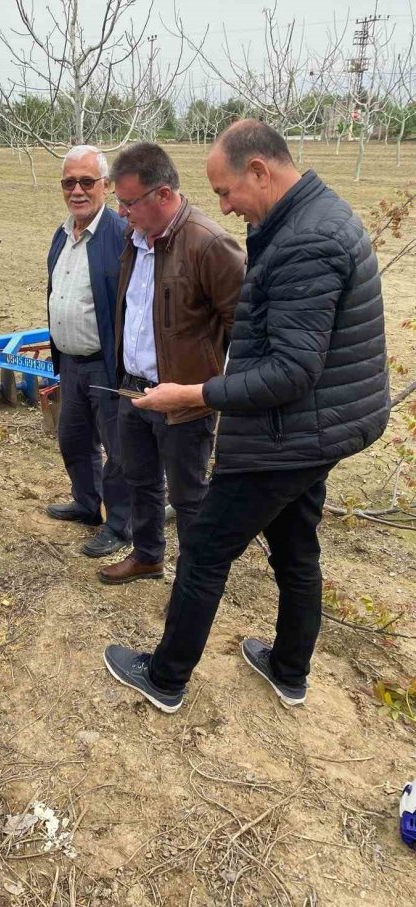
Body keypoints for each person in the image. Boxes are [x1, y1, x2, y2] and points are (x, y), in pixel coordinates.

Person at [104, 120, 390, 711]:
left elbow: (290, 370)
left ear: (258, 171)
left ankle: (165, 678)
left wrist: (196, 394)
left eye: (226, 192)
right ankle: (289, 669)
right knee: (295, 544)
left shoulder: (308, 241)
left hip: (289, 432)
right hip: (319, 425)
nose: (225, 207)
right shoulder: (311, 217)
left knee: (205, 549)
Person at [97, 142, 245, 586]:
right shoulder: (135, 238)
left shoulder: (209, 244)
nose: (121, 212)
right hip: (133, 389)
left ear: (163, 195)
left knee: (189, 496)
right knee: (139, 479)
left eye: (128, 202)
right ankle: (148, 556)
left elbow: (245, 330)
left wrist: (213, 392)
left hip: (184, 400)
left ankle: (192, 582)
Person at [45, 145, 132, 557]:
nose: (77, 191)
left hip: (106, 367)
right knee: (74, 440)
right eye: (69, 182)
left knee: (119, 450)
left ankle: (120, 524)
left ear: (106, 186)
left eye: (86, 181)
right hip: (70, 363)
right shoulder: (62, 234)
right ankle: (86, 503)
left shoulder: (121, 235)